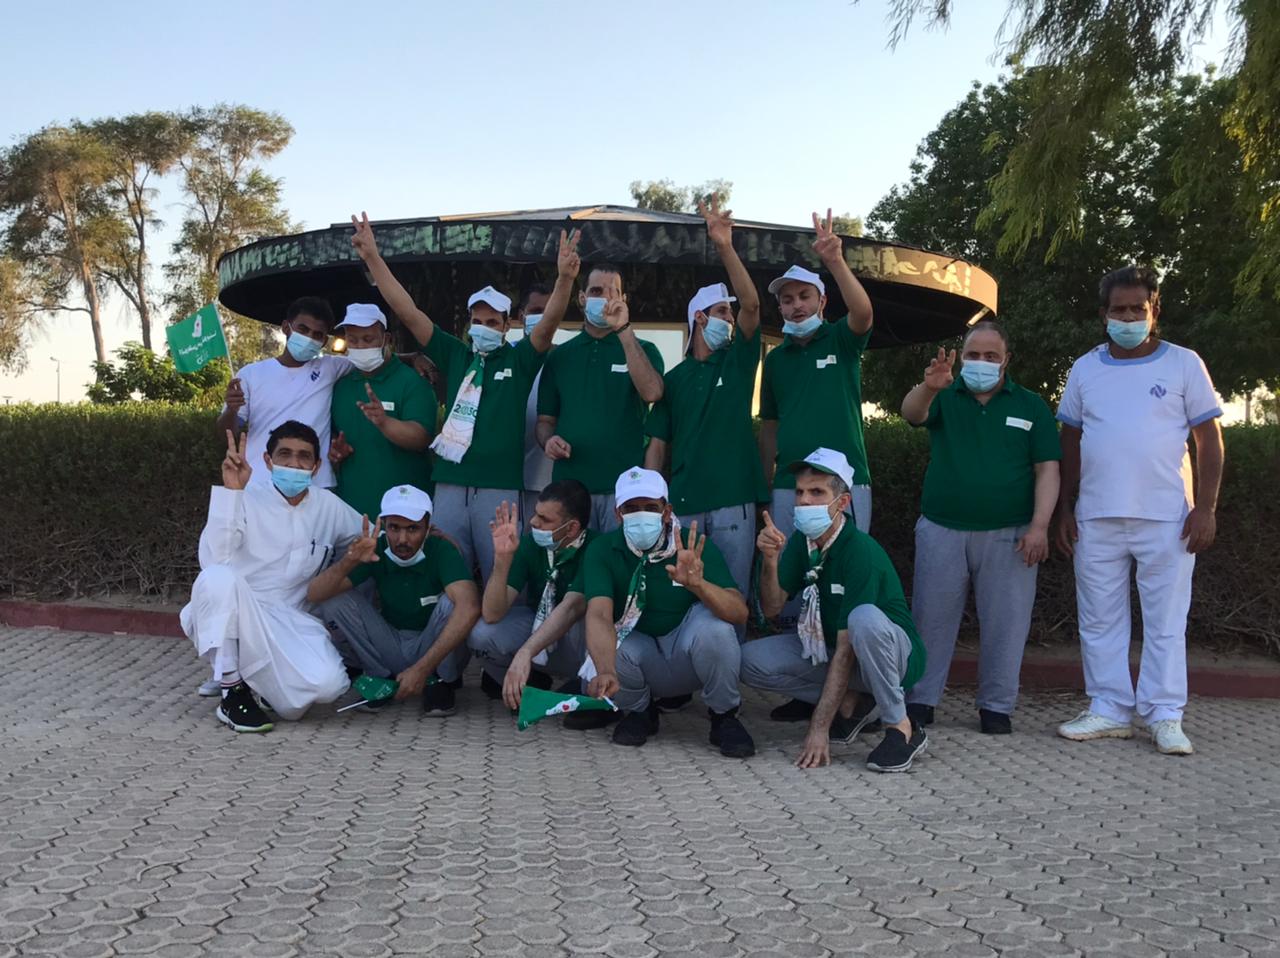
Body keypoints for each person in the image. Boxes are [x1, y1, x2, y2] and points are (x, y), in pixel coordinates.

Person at [350, 211, 580, 579]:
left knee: (501, 574)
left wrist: (565, 279)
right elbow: (408, 311)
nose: (483, 328)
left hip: (499, 488)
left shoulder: (520, 360)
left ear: (507, 325)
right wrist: (373, 258)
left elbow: (548, 323)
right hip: (450, 485)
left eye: (492, 322)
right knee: (449, 573)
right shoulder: (456, 354)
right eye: (478, 321)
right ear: (469, 323)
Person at [1053, 266, 1224, 756]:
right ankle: (1108, 709)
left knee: (1166, 621)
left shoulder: (1184, 363)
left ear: (1154, 311)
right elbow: (1070, 439)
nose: (1127, 318)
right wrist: (1064, 508)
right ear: (1103, 314)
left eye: (1137, 309)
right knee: (1099, 619)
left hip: (1168, 518)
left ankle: (1164, 715)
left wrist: (1206, 508)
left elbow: (1209, 439)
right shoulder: (1085, 368)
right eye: (1118, 310)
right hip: (1096, 517)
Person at [899, 322, 1061, 734]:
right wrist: (929, 387)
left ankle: (996, 707)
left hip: (1010, 533)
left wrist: (1039, 526)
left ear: (1007, 360)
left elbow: (1047, 469)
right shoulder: (943, 394)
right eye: (973, 355)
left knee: (1007, 622)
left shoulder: (1031, 406)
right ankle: (920, 700)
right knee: (931, 618)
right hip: (942, 526)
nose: (981, 362)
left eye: (991, 356)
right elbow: (911, 414)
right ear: (961, 356)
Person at [202, 297, 350, 698]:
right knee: (238, 576)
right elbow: (227, 430)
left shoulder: (330, 367)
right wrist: (230, 410)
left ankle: (297, 655)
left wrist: (413, 358)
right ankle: (226, 666)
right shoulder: (251, 374)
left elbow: (373, 358)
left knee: (301, 585)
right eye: (303, 330)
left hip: (313, 490)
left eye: (319, 335)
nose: (310, 339)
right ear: (286, 328)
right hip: (256, 490)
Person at [745, 448, 927, 772]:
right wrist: (770, 561)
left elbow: (846, 650)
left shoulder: (859, 551)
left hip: (893, 657)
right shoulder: (802, 541)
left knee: (863, 618)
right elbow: (772, 607)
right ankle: (854, 702)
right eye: (800, 492)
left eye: (817, 492)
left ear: (842, 502)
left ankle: (901, 726)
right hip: (836, 649)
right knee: (748, 661)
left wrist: (819, 728)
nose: (804, 501)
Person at [180, 421, 363, 733]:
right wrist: (232, 492)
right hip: (241, 613)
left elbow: (369, 535)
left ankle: (264, 690)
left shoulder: (328, 506)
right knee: (217, 578)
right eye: (285, 454)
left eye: (304, 457)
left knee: (328, 686)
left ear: (317, 466)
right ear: (268, 460)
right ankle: (232, 691)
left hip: (294, 623)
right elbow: (215, 557)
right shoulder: (244, 497)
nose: (294, 464)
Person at [578, 467, 755, 757]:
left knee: (717, 631)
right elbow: (598, 614)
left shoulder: (692, 544)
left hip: (686, 650)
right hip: (640, 651)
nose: (641, 515)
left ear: (666, 511)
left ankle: (724, 715)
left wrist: (699, 585)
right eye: (631, 508)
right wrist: (605, 669)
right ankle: (640, 712)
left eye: (650, 507)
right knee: (604, 641)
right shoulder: (602, 549)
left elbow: (739, 613)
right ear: (618, 514)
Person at [644, 194, 768, 602]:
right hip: (684, 504)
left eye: (729, 314)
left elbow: (752, 304)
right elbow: (657, 446)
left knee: (733, 597)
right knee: (685, 596)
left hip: (735, 503)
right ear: (700, 318)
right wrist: (651, 500)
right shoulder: (673, 379)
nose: (731, 320)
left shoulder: (738, 360)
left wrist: (724, 246)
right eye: (722, 313)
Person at [310, 484, 481, 717]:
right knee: (334, 598)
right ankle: (381, 677)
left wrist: (422, 669)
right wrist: (349, 561)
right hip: (391, 642)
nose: (402, 539)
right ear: (383, 525)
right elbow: (315, 594)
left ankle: (441, 682)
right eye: (394, 528)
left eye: (413, 529)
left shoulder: (441, 549)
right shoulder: (377, 548)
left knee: (455, 603)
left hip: (432, 645)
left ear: (428, 528)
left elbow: (470, 606)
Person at [759, 210, 875, 539]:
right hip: (788, 486)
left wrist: (835, 261)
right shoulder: (775, 360)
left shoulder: (841, 339)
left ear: (822, 301)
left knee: (844, 563)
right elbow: (769, 427)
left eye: (804, 296)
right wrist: (764, 484)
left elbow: (863, 313)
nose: (796, 305)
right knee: (789, 568)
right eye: (787, 300)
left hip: (846, 481)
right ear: (780, 308)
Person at [536, 263, 665, 531]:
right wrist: (549, 441)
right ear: (582, 298)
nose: (605, 299)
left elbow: (652, 392)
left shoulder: (645, 350)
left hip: (625, 490)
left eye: (613, 292)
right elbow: (545, 421)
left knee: (617, 557)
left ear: (623, 300)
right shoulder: (560, 356)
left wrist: (623, 330)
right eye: (596, 291)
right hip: (569, 493)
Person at [469, 479, 597, 705]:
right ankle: (528, 685)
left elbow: (571, 608)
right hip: (540, 627)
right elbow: (492, 614)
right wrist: (502, 560)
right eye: (536, 514)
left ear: (572, 528)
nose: (533, 522)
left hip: (577, 640)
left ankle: (583, 688)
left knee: (589, 622)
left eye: (544, 519)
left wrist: (525, 652)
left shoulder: (597, 548)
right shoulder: (531, 544)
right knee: (481, 634)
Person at [327, 303, 436, 522]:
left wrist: (385, 422)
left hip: (404, 517)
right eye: (353, 340)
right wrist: (335, 451)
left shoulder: (412, 382)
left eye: (368, 339)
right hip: (351, 510)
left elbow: (421, 438)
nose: (360, 346)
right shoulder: (340, 385)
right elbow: (334, 437)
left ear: (386, 339)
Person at [517, 283, 556, 522]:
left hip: (549, 482)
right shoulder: (508, 358)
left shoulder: (564, 360)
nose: (542, 318)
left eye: (548, 311)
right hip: (509, 480)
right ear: (521, 316)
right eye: (535, 311)